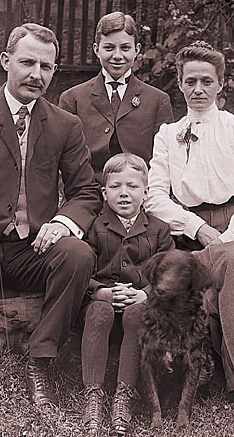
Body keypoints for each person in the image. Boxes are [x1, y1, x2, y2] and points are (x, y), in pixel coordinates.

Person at [0, 23, 102, 408]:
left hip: (34, 252)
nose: (35, 74)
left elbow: (86, 191)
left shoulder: (65, 125)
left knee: (77, 254)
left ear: (55, 71)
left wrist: (62, 223)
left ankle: (41, 361)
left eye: (46, 66)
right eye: (27, 62)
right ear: (5, 62)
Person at [145, 40, 234, 412]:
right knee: (188, 273)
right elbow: (156, 197)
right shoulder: (167, 135)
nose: (198, 90)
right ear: (178, 83)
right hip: (191, 230)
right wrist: (198, 229)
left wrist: (227, 237)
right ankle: (230, 373)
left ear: (221, 84)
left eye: (207, 81)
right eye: (190, 81)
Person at [81, 153, 174, 436]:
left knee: (137, 313)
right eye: (116, 186)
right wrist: (101, 292)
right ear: (104, 192)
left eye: (132, 186)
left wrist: (147, 295)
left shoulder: (159, 230)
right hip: (101, 301)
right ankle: (93, 396)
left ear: (145, 192)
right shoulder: (93, 227)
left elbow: (170, 274)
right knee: (99, 312)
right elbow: (79, 270)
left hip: (141, 307)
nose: (124, 193)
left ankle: (124, 395)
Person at [58, 11, 174, 184]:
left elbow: (164, 163)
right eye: (109, 48)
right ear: (97, 50)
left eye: (125, 48)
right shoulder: (73, 99)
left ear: (137, 50)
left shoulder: (157, 101)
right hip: (87, 193)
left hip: (140, 194)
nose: (117, 56)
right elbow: (64, 162)